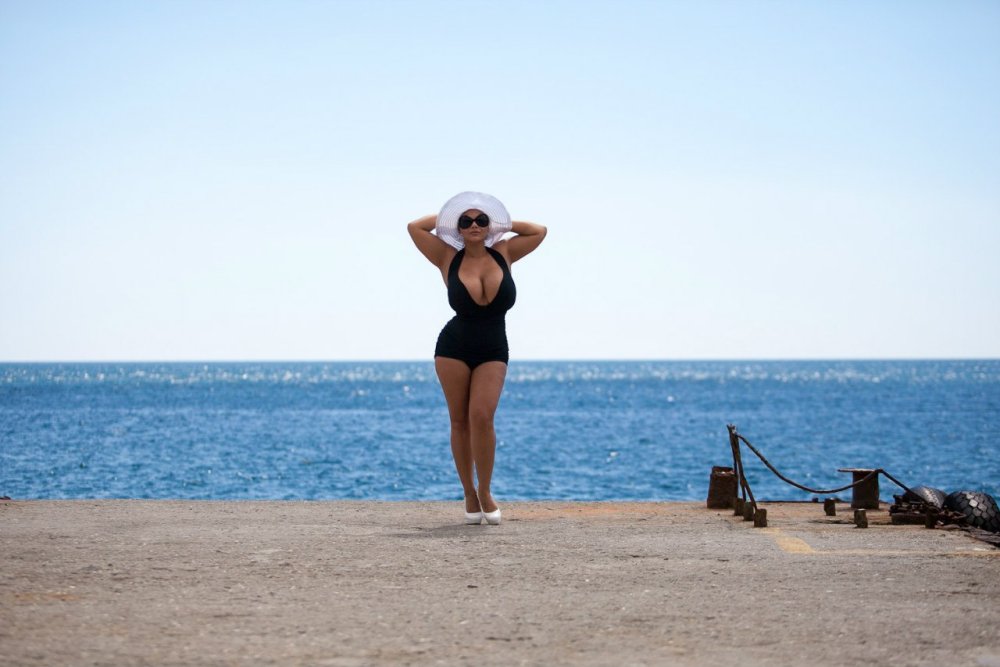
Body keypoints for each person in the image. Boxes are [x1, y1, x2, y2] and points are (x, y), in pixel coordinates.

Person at [407, 192, 546, 526]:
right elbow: (414, 227)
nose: (474, 225)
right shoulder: (446, 256)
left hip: (493, 348)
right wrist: (447, 219)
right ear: (457, 226)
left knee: (482, 417)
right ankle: (468, 492)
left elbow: (539, 231)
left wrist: (501, 224)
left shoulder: (505, 251)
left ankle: (485, 490)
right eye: (466, 221)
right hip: (453, 347)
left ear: (489, 225)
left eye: (481, 220)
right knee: (459, 421)